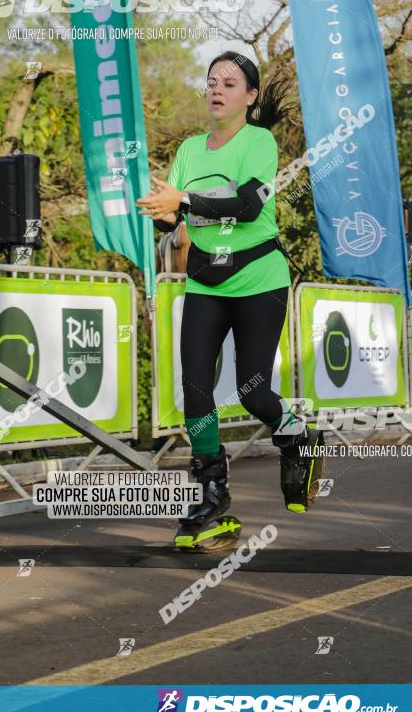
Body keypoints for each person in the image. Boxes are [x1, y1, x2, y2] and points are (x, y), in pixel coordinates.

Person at [137, 51, 325, 548]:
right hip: (205, 280)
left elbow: (246, 206)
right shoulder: (188, 151)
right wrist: (161, 212)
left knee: (251, 391)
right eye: (210, 81)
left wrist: (184, 202)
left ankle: (295, 434)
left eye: (229, 82)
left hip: (258, 278)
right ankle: (213, 497)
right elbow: (173, 220)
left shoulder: (258, 142)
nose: (217, 89)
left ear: (250, 96)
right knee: (195, 389)